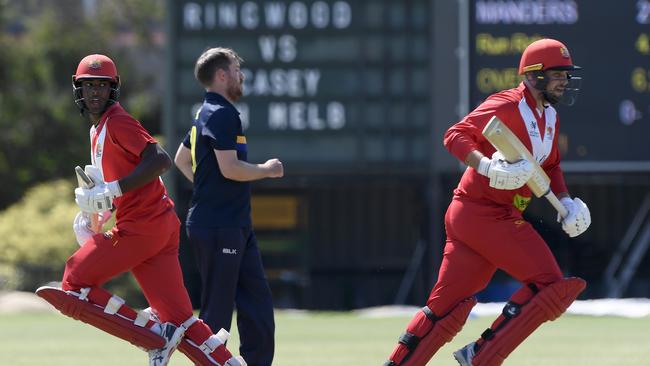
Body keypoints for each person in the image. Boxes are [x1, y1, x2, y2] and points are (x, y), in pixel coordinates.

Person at [384, 38, 591, 366]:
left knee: (446, 309)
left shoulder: (550, 117)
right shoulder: (507, 105)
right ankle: (480, 356)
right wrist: (486, 165)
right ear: (534, 75)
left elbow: (549, 167)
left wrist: (566, 202)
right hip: (483, 213)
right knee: (549, 284)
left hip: (481, 215)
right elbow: (455, 135)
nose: (564, 82)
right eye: (558, 74)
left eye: (566, 75)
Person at [37, 54, 246, 366]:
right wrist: (98, 214)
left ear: (113, 89)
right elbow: (118, 181)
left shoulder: (117, 121)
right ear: (78, 90)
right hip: (158, 225)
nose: (95, 92)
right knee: (181, 320)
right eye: (89, 86)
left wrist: (114, 189)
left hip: (142, 227)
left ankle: (152, 333)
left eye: (102, 86)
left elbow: (160, 160)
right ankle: (226, 361)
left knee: (74, 282)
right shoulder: (99, 130)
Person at [174, 47, 283, 366]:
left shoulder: (205, 112)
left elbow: (182, 159)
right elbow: (230, 168)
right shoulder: (222, 113)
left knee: (258, 303)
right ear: (221, 75)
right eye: (236, 69)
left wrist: (210, 188)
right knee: (217, 313)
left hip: (233, 224)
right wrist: (267, 169)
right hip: (219, 225)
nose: (241, 75)